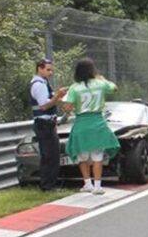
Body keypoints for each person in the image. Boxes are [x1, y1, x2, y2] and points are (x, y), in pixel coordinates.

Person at [62, 58, 119, 195]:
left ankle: (87, 183)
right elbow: (114, 88)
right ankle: (98, 186)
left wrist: (72, 108)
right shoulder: (100, 84)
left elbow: (67, 107)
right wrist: (104, 80)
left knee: (82, 155)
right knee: (97, 155)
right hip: (98, 122)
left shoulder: (74, 87)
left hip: (81, 123)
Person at [29, 58, 67, 191]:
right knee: (48, 156)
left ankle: (51, 184)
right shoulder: (38, 84)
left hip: (49, 124)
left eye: (51, 70)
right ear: (40, 68)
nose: (50, 73)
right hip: (44, 125)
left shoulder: (44, 83)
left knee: (53, 155)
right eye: (48, 69)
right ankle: (47, 186)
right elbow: (44, 105)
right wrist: (57, 96)